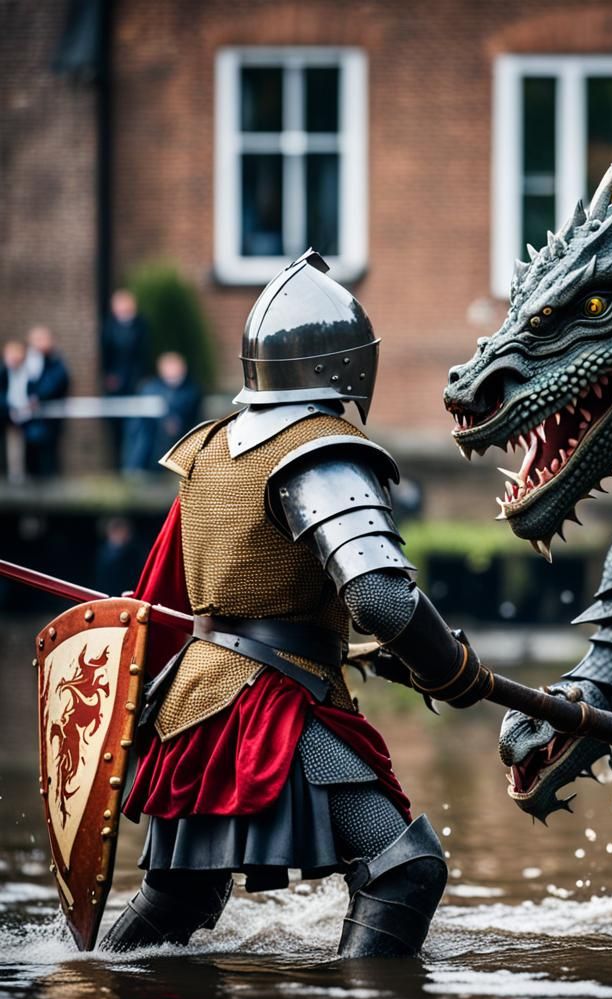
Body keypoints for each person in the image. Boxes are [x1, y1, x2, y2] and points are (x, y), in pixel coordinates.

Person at [103, 250, 498, 958]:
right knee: (404, 871)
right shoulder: (322, 449)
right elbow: (378, 595)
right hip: (267, 706)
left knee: (180, 898)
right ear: (344, 362)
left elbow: (201, 589)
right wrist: (450, 669)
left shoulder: (210, 447)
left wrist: (376, 654)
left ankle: (91, 980)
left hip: (192, 704)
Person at [121, 351, 202, 472]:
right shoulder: (150, 388)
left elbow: (190, 412)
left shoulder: (191, 389)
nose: (171, 371)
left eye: (173, 366)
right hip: (152, 432)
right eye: (167, 367)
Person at [100, 289, 149, 464]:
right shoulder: (109, 327)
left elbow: (144, 353)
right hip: (116, 384)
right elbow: (106, 355)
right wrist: (109, 376)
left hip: (135, 382)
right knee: (116, 426)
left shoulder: (141, 325)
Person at [24, 325, 71, 477]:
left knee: (49, 460)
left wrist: (36, 397)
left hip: (49, 421)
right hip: (28, 421)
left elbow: (54, 385)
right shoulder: (28, 362)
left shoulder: (56, 362)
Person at [1, 338, 31, 480]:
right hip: (6, 414)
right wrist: (9, 407)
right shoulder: (3, 372)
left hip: (23, 414)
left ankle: (18, 475)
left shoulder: (26, 372)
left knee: (18, 445)